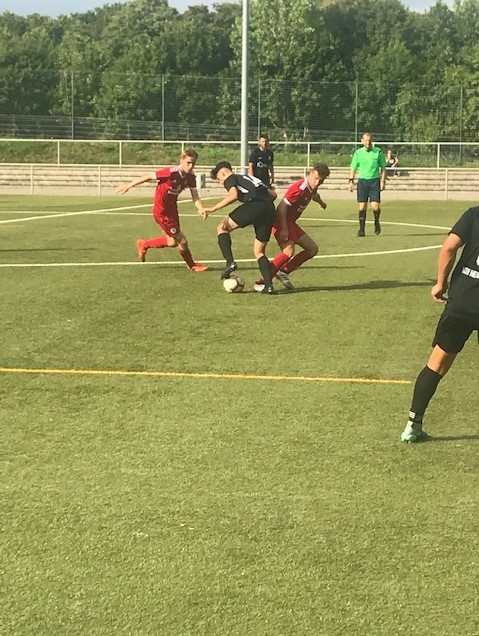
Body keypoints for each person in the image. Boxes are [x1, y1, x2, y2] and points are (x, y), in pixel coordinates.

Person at [401, 206, 479, 442]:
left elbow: (448, 247)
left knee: (437, 363)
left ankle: (413, 425)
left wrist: (440, 283)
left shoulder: (475, 213)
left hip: (462, 300)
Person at [116, 149, 208, 272]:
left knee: (172, 242)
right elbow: (148, 176)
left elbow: (195, 195)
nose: (191, 166)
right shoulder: (170, 173)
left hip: (172, 211)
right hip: (162, 213)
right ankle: (192, 265)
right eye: (188, 162)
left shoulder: (190, 177)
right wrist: (128, 186)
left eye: (193, 163)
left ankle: (144, 244)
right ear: (182, 160)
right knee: (182, 240)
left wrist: (201, 208)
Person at [200, 161, 278, 295]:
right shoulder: (250, 178)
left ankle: (230, 262)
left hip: (254, 205)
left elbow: (233, 195)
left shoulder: (230, 178)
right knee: (259, 251)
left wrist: (212, 208)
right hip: (269, 208)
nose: (221, 183)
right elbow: (273, 195)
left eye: (219, 179)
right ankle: (269, 286)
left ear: (223, 173)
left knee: (222, 227)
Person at [253, 163, 330, 291]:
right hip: (281, 221)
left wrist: (321, 203)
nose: (317, 183)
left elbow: (314, 195)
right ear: (311, 173)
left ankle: (283, 271)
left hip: (291, 223)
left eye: (321, 181)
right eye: (316, 178)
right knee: (288, 252)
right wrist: (283, 228)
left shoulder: (312, 187)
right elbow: (282, 207)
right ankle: (261, 282)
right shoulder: (299, 188)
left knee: (312, 249)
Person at [349, 132, 387, 237]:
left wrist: (383, 181)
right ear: (362, 141)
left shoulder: (378, 152)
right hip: (362, 182)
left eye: (369, 140)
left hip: (374, 181)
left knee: (375, 206)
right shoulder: (358, 153)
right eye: (366, 140)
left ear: (372, 141)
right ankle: (361, 230)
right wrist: (351, 181)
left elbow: (383, 168)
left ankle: (376, 222)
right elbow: (353, 168)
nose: (368, 142)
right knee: (362, 207)